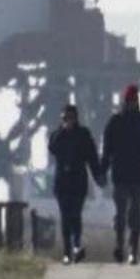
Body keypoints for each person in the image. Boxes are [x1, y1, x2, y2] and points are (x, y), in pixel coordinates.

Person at [100, 83, 140, 264]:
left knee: (135, 214)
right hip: (120, 175)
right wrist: (102, 171)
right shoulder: (115, 122)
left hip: (137, 176)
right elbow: (107, 150)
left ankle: (133, 250)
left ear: (137, 101)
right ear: (124, 101)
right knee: (120, 214)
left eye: (132, 100)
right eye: (128, 100)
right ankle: (119, 246)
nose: (130, 103)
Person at [45, 103, 104, 264]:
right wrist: (62, 130)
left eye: (70, 118)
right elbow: (52, 147)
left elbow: (92, 157)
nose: (68, 121)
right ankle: (66, 252)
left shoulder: (83, 135)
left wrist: (98, 175)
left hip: (78, 183)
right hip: (62, 183)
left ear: (76, 118)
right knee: (65, 218)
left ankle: (76, 246)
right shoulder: (57, 135)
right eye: (65, 118)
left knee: (75, 216)